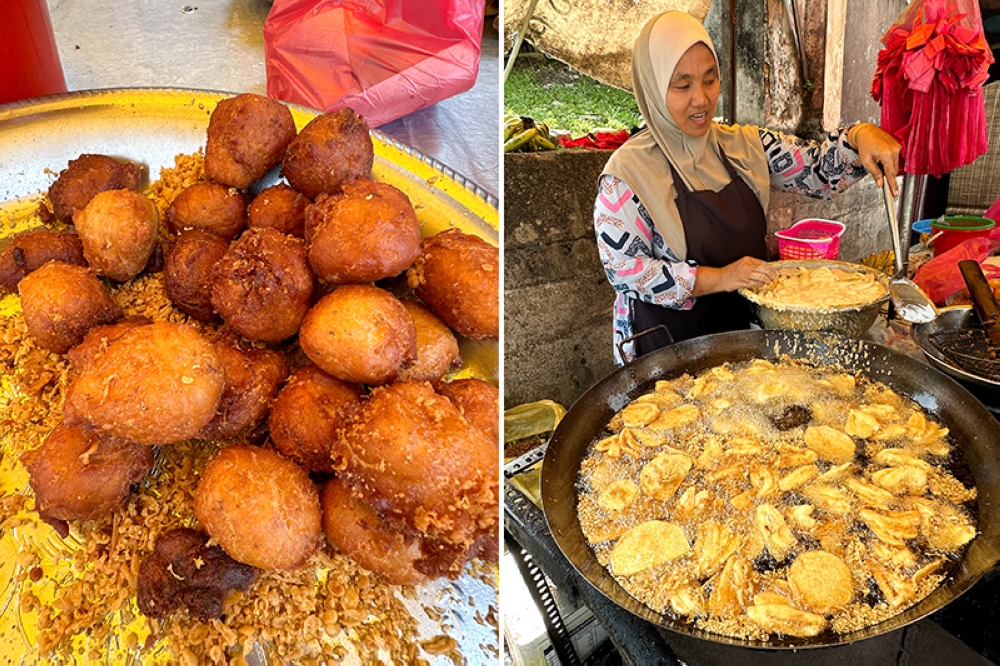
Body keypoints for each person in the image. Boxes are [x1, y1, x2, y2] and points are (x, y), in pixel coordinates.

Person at [596, 11, 901, 365]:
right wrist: (723, 277)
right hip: (666, 349)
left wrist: (859, 135)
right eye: (682, 85)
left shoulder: (746, 147)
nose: (701, 99)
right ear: (652, 85)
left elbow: (820, 171)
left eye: (710, 80)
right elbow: (627, 272)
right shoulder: (626, 176)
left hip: (743, 341)